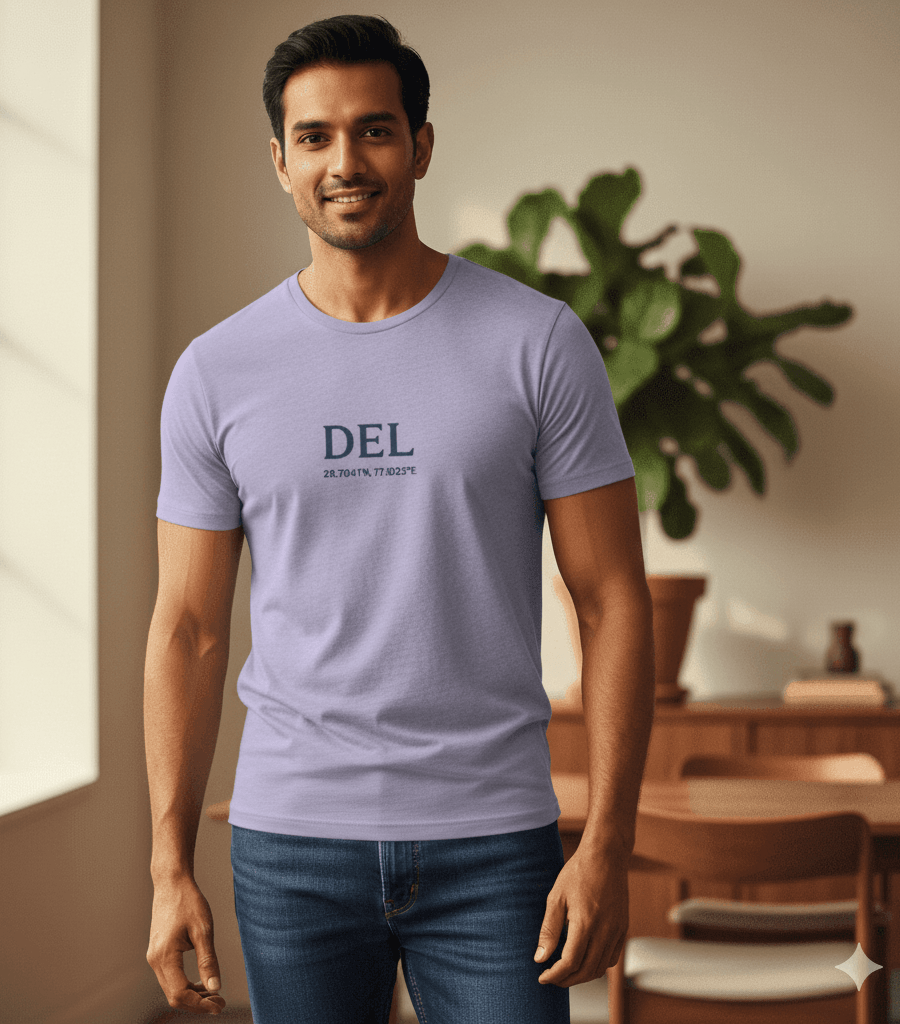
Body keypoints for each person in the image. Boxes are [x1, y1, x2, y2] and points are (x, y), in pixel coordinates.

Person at [144, 14, 654, 1022]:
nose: (347, 160)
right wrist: (167, 860)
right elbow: (188, 630)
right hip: (291, 843)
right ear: (280, 161)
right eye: (317, 137)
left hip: (494, 842)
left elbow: (612, 600)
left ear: (420, 146)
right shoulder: (216, 370)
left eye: (375, 130)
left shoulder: (537, 344)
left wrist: (605, 845)